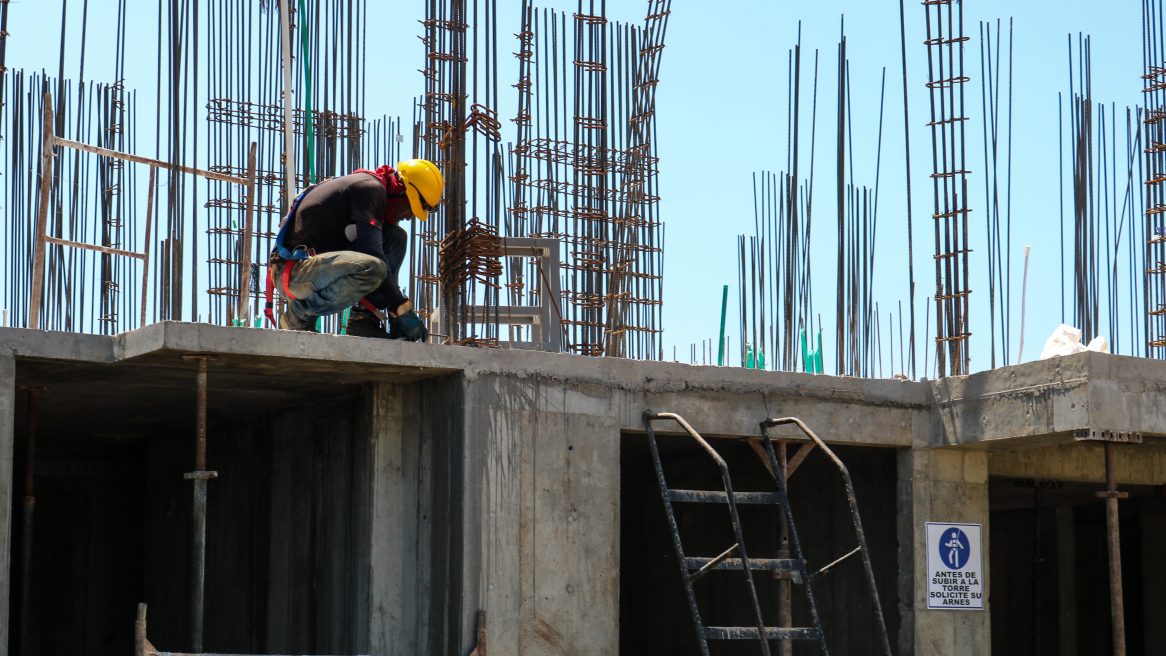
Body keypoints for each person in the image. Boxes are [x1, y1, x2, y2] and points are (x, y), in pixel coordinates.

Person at [265, 159, 443, 340]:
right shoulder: (369, 189)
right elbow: (372, 253)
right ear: (401, 192)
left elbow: (382, 262)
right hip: (294, 272)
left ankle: (364, 320)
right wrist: (401, 307)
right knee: (373, 267)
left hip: (317, 269)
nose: (409, 217)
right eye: (410, 209)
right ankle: (299, 314)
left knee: (396, 238)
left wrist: (394, 312)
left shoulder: (373, 192)